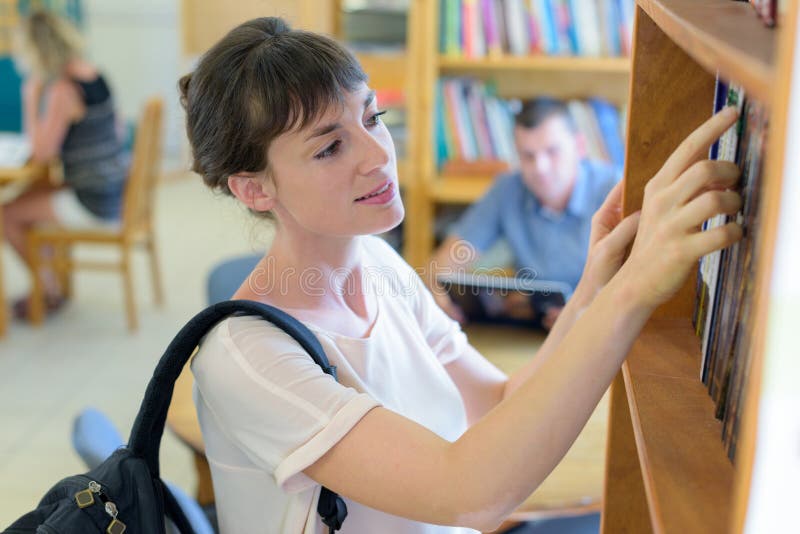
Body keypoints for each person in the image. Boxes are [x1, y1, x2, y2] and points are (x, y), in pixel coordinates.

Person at [181, 17, 743, 534]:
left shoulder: (378, 263)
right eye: (330, 147)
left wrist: (597, 284)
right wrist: (633, 292)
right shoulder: (247, 356)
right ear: (254, 188)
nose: (378, 154)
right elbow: (468, 492)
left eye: (372, 117)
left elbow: (497, 402)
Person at [428, 98, 620, 328]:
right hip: (533, 329)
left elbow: (637, 279)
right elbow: (443, 265)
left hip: (602, 327)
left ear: (579, 147)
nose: (540, 167)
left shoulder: (615, 190)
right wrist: (438, 296)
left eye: (552, 151)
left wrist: (587, 311)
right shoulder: (507, 189)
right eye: (528, 156)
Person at [4, 10, 129, 318]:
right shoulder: (95, 75)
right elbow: (119, 131)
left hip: (93, 203)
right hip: (114, 194)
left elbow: (42, 153)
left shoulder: (63, 89)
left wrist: (31, 99)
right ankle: (51, 285)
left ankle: (47, 289)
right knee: (32, 201)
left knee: (6, 214)